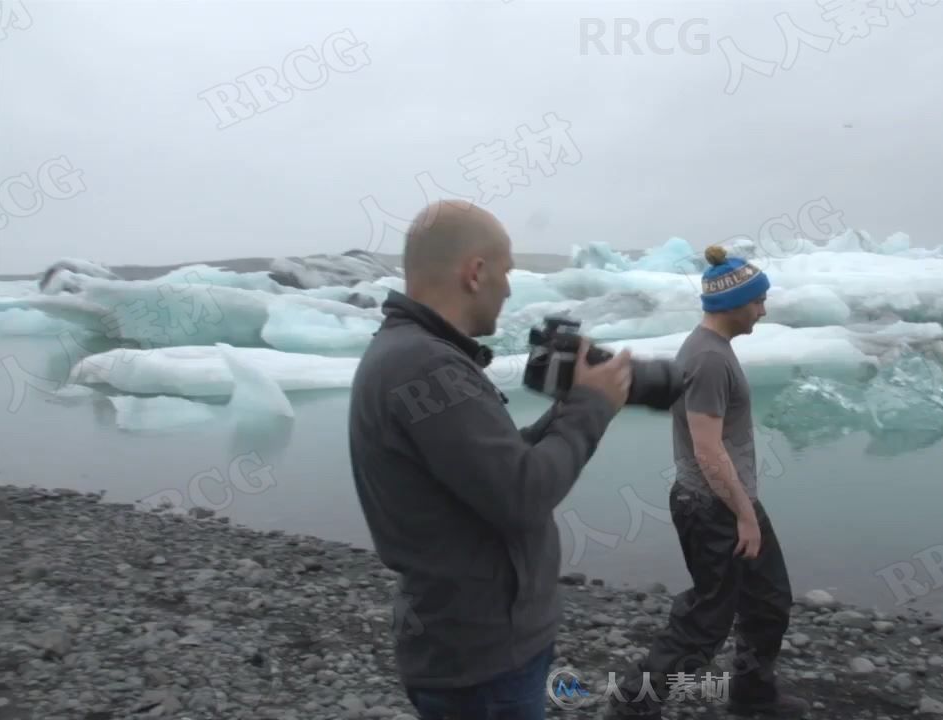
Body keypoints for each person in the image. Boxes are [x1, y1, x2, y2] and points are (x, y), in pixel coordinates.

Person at [347, 199, 634, 720]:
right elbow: (523, 494)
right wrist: (592, 408)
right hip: (482, 659)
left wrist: (572, 405)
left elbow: (490, 471)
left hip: (463, 642)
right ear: (476, 273)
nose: (508, 287)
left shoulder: (410, 352)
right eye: (506, 272)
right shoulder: (427, 365)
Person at [608, 245, 810, 718]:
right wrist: (744, 515)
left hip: (727, 501)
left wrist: (747, 510)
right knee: (708, 616)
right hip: (713, 505)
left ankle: (752, 693)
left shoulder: (713, 351)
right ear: (734, 303)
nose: (764, 309)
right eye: (758, 300)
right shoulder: (708, 359)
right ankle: (633, 702)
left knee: (768, 602)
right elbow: (707, 448)